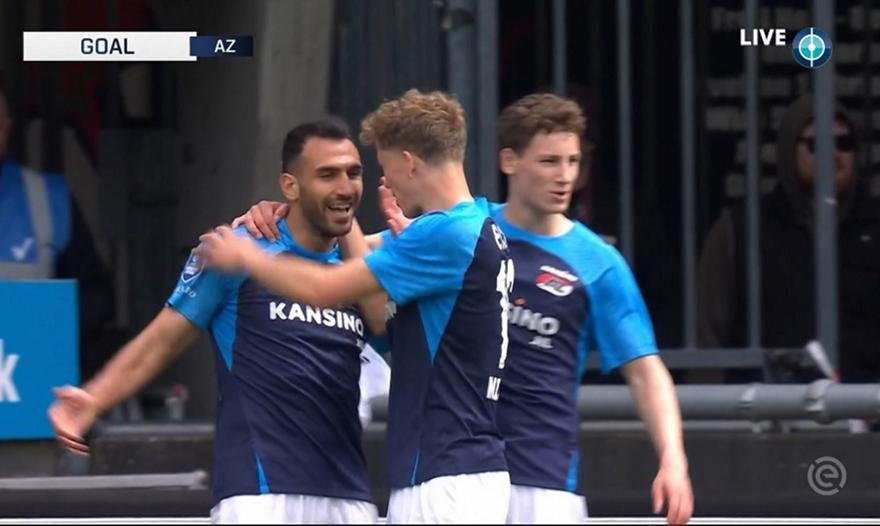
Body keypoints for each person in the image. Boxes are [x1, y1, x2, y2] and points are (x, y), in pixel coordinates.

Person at [237, 93, 694, 525]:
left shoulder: (584, 259)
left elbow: (645, 370)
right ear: (509, 161)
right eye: (550, 161)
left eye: (573, 161)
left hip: (522, 477)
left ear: (409, 162)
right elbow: (345, 253)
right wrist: (285, 212)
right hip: (469, 466)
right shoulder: (467, 226)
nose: (565, 176)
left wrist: (673, 458)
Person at [199, 89, 513, 524]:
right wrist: (304, 211)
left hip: (445, 478)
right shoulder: (477, 226)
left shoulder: (441, 235)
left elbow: (325, 286)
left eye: (384, 168)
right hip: (468, 468)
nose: (384, 184)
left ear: (409, 162)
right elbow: (380, 307)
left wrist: (248, 257)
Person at [48, 119, 384, 524]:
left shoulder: (365, 267)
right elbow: (162, 340)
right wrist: (95, 398)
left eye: (353, 173)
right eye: (327, 175)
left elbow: (391, 318)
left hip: (348, 496)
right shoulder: (236, 251)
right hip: (260, 496)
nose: (345, 187)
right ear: (290, 186)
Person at [698, 94, 880, 384]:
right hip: (766, 406)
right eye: (816, 144)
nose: (833, 153)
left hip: (868, 404)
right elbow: (708, 334)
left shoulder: (874, 224)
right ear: (788, 150)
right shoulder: (741, 229)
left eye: (844, 143)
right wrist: (708, 406)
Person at [0, 81, 116, 381]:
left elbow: (97, 295)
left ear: (6, 127)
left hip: (30, 390)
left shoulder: (45, 198)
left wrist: (46, 329)